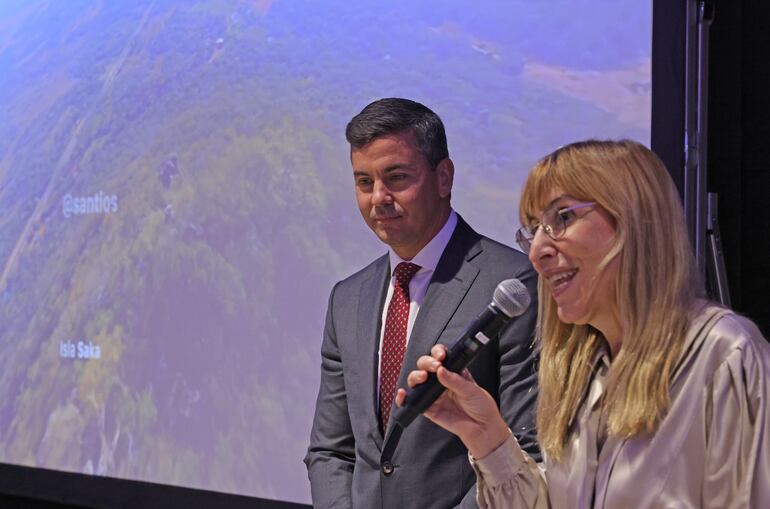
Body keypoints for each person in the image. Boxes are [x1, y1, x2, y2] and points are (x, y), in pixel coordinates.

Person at [398, 139, 770, 508]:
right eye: (533, 229)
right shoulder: (583, 371)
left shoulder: (724, 354)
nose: (536, 251)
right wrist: (485, 436)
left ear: (635, 221)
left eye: (562, 218)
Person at [304, 98, 541, 508]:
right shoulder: (347, 298)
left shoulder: (512, 284)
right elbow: (330, 451)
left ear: (444, 177)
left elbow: (525, 450)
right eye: (364, 182)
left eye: (396, 177)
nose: (378, 197)